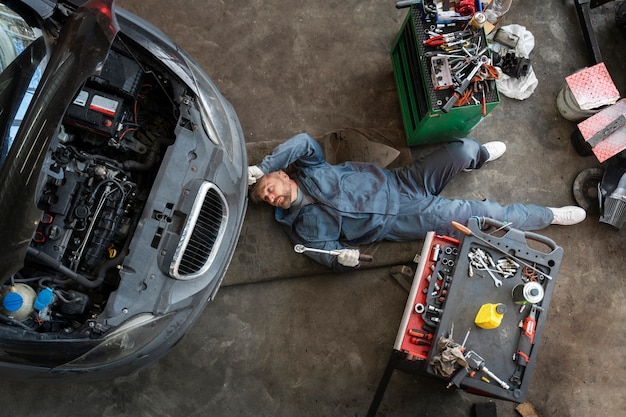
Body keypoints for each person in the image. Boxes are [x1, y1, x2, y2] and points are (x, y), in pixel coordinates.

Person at [248, 133, 586, 271]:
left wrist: (261, 166)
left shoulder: (310, 167)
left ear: (283, 175)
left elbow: (304, 140)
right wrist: (344, 259)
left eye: (268, 186)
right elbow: (331, 257)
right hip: (403, 220)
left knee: (463, 149)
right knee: (484, 215)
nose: (271, 196)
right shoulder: (302, 233)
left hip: (401, 181)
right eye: (267, 199)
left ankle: (480, 156)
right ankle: (548, 216)